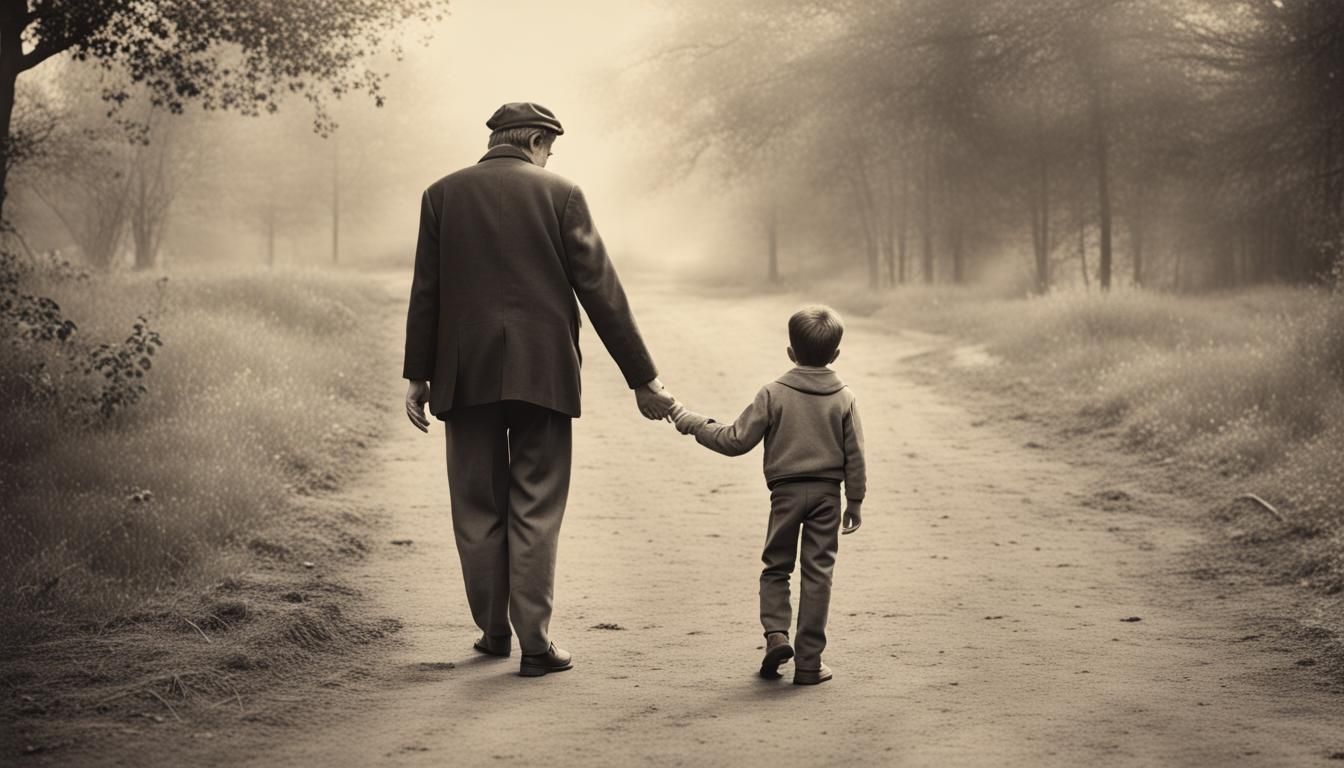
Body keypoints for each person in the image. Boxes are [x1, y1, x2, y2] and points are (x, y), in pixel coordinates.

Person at [402, 102, 675, 677]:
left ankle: (493, 632)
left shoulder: (440, 195)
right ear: (534, 140)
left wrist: (417, 375)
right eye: (549, 147)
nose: (550, 158)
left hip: (464, 373)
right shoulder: (562, 194)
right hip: (542, 374)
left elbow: (426, 290)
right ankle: (535, 644)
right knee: (536, 506)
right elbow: (601, 290)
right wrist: (642, 379)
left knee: (476, 506)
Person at [668, 305, 865, 685]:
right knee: (817, 574)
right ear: (836, 356)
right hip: (827, 496)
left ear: (791, 353)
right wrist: (854, 500)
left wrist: (691, 421)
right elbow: (855, 453)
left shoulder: (773, 394)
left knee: (777, 567)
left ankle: (776, 633)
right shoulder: (845, 398)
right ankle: (809, 664)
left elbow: (735, 440)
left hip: (786, 495)